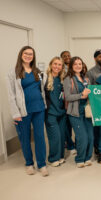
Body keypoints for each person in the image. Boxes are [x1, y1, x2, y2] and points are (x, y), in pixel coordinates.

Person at [7, 46, 48, 176]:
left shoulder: (38, 72)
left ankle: (42, 164)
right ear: (21, 55)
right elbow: (11, 95)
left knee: (40, 137)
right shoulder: (13, 73)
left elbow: (42, 89)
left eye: (31, 54)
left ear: (33, 56)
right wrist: (15, 113)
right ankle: (29, 164)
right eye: (26, 53)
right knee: (25, 138)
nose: (28, 56)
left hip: (39, 108)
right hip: (23, 111)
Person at [64, 56, 93, 168]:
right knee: (82, 137)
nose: (78, 66)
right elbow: (68, 97)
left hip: (87, 112)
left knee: (90, 136)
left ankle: (88, 157)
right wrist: (81, 95)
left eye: (80, 64)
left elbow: (91, 92)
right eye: (75, 64)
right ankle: (80, 159)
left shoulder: (86, 79)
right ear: (71, 66)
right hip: (75, 113)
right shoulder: (68, 79)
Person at [44, 57, 66, 167]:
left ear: (62, 67)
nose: (57, 66)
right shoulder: (45, 79)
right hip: (51, 113)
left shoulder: (63, 79)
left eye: (59, 65)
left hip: (62, 113)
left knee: (62, 136)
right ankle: (53, 158)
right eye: (55, 64)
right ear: (51, 64)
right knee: (55, 137)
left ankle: (60, 156)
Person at [86, 49, 101, 156]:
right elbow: (88, 88)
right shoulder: (90, 72)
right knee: (97, 127)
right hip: (97, 103)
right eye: (100, 56)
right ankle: (97, 147)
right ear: (95, 58)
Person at [60, 50, 76, 155]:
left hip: (74, 98)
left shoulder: (74, 67)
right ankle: (69, 142)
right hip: (64, 99)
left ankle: (69, 141)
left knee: (70, 123)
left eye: (68, 55)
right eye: (64, 56)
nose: (67, 57)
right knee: (66, 123)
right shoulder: (60, 69)